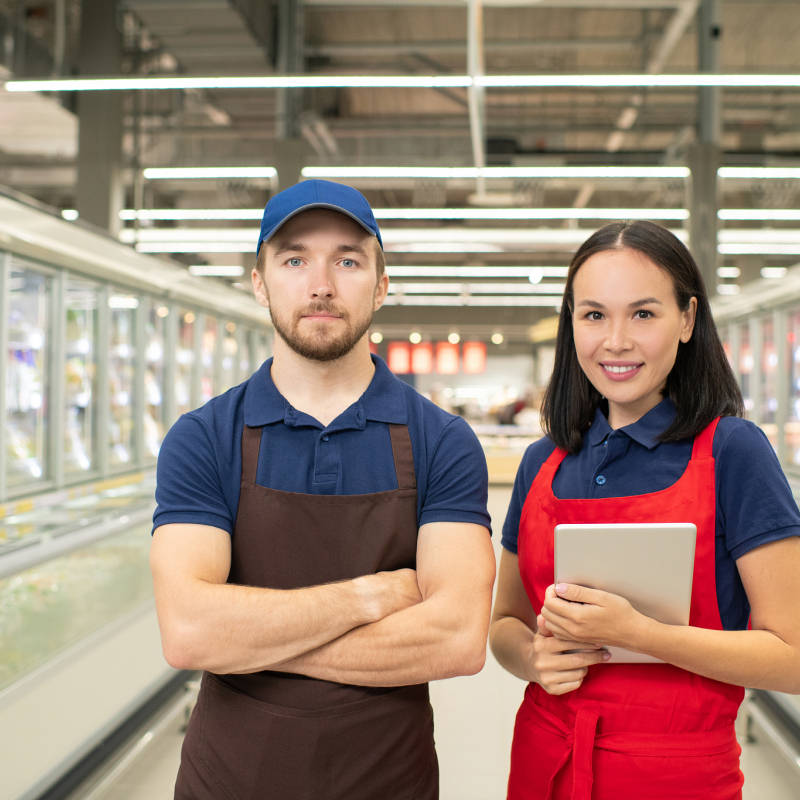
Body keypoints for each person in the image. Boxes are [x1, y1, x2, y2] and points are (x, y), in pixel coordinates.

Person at [150, 179, 495, 800]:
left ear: (381, 284)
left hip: (390, 782)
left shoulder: (441, 441)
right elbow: (190, 632)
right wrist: (370, 598)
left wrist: (253, 638)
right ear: (260, 283)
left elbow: (459, 639)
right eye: (293, 259)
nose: (321, 284)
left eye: (347, 259)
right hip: (229, 782)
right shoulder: (203, 439)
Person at [489, 220, 800, 800]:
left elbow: (793, 657)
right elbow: (504, 624)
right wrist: (534, 658)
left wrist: (641, 634)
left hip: (675, 775)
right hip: (546, 764)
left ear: (686, 319)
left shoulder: (732, 452)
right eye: (594, 315)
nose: (616, 341)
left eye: (644, 313)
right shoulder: (543, 462)